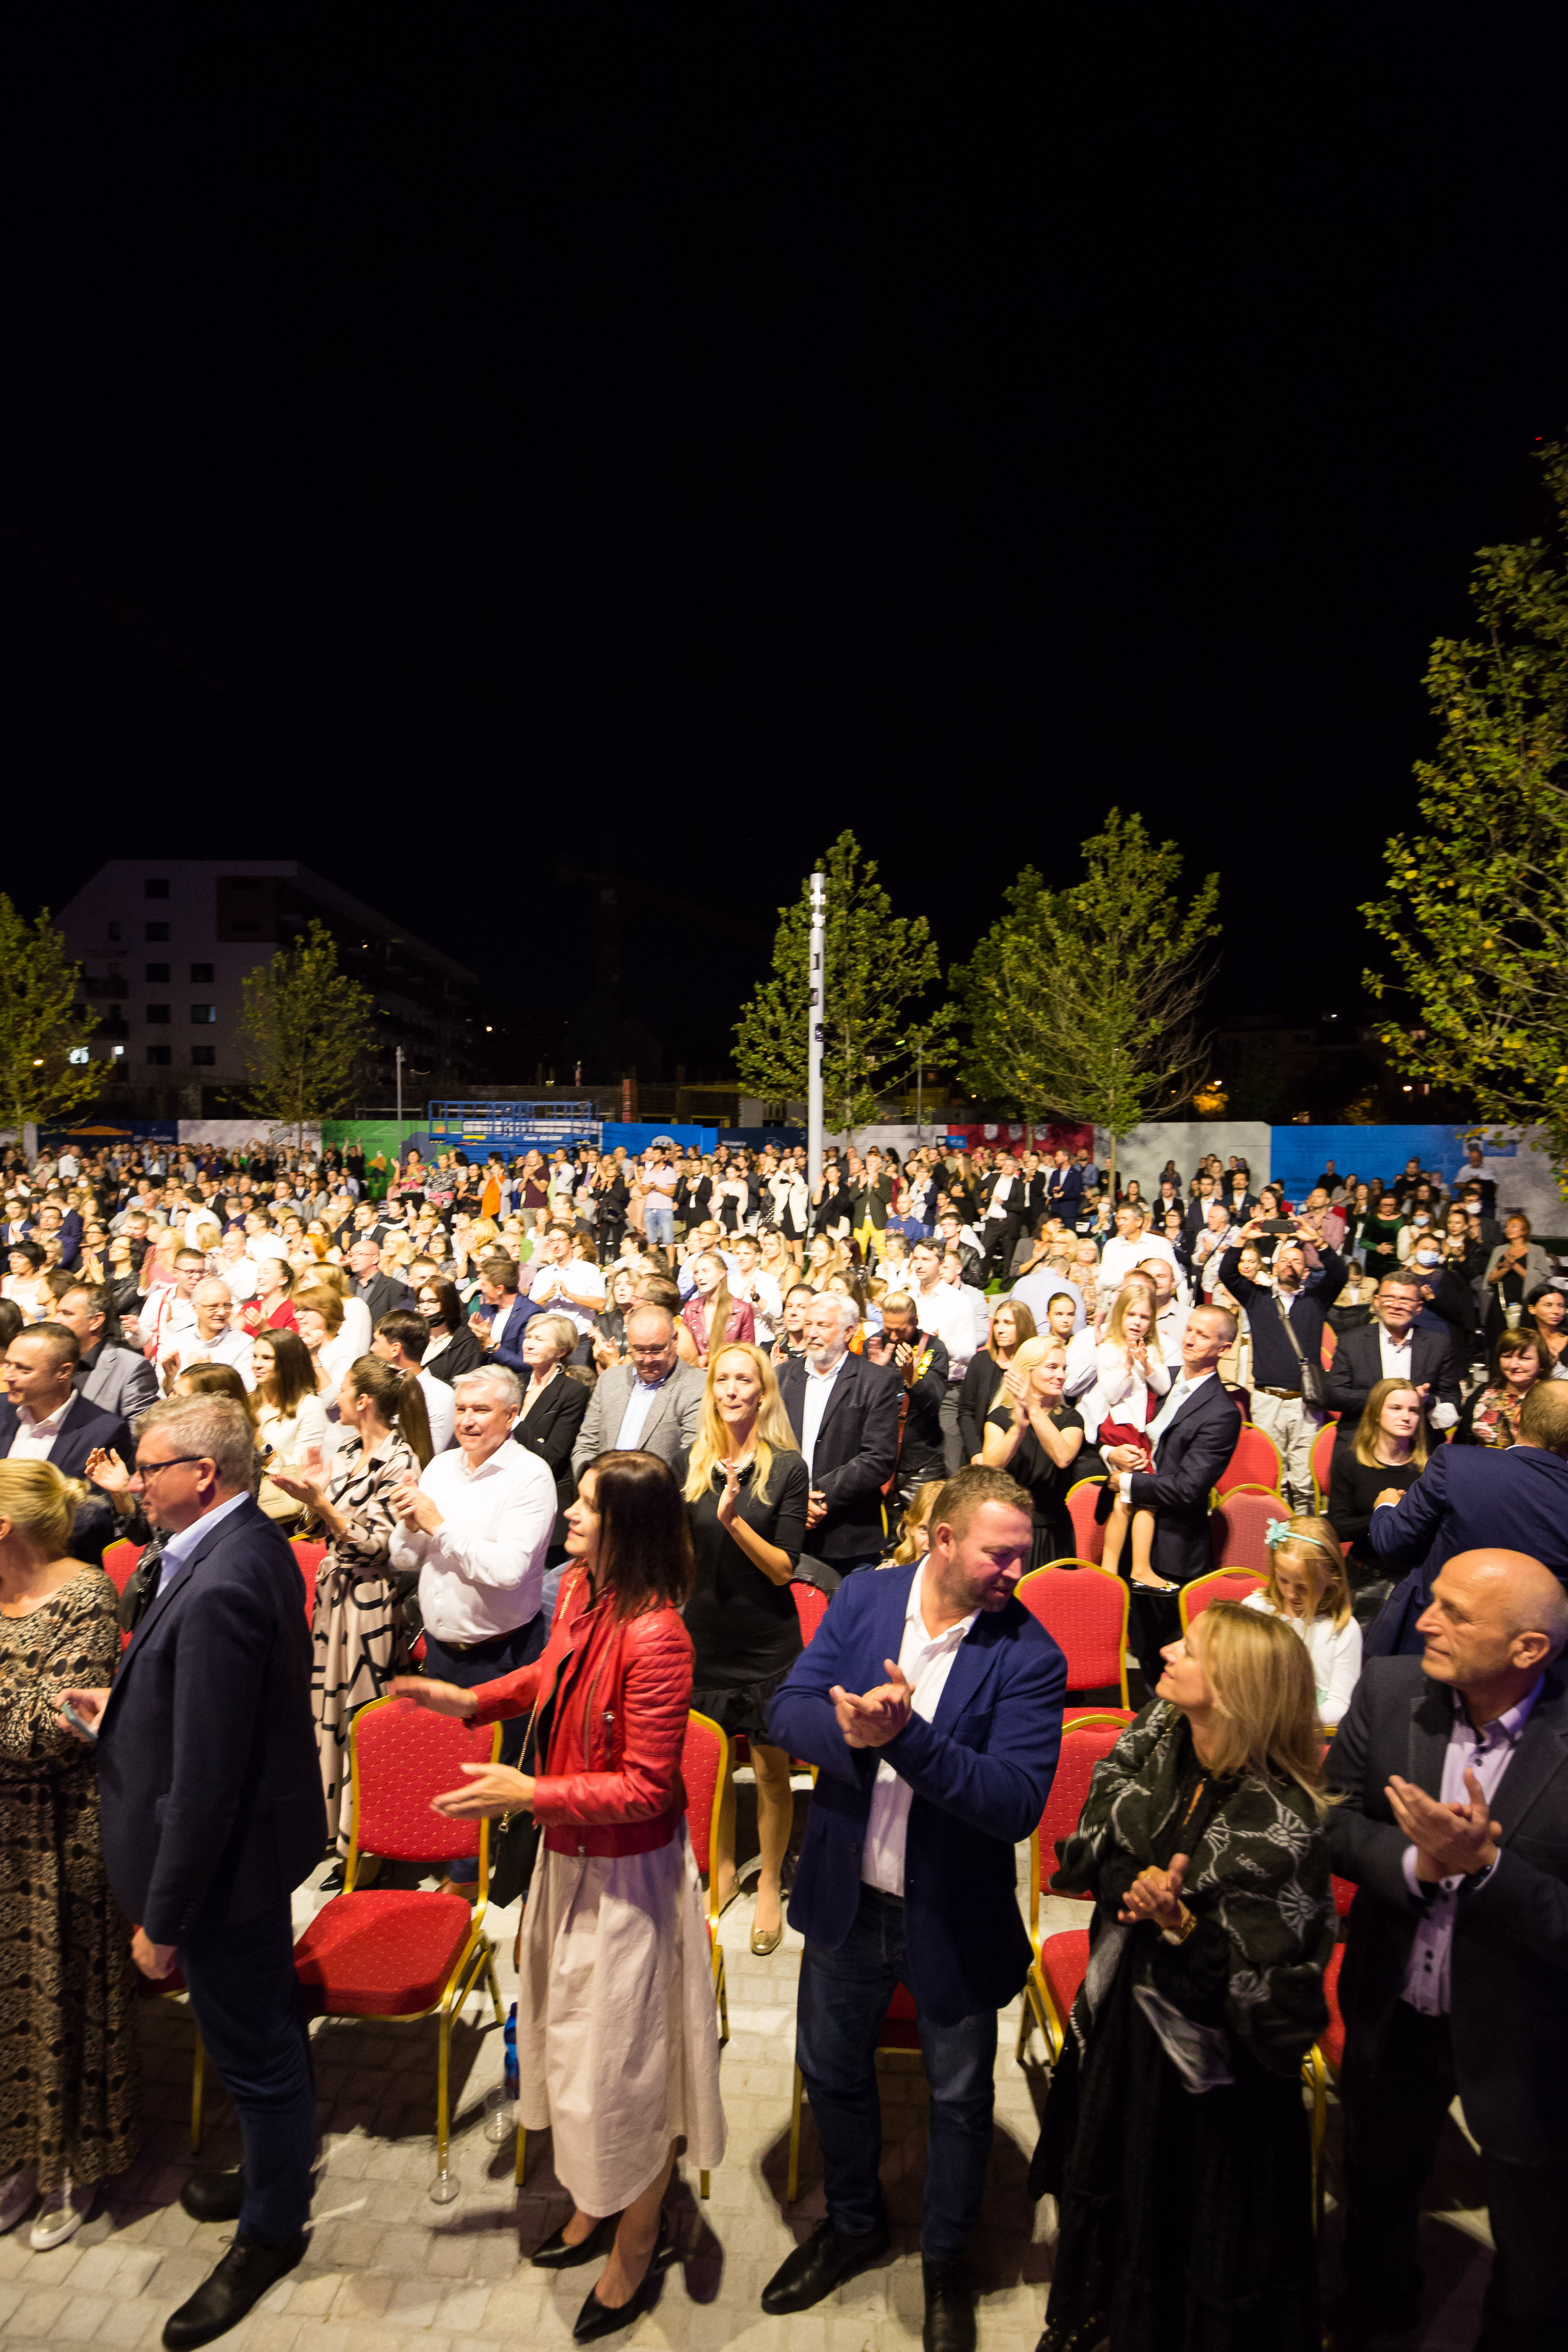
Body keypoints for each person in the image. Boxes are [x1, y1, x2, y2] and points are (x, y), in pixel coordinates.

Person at [392, 1451, 724, 2338]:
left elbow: (648, 1788)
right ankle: (593, 2200)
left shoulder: (659, 1635)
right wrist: (471, 1703)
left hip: (629, 1880)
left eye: (587, 1506)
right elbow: (550, 1677)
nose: (570, 1517)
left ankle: (638, 2238)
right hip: (571, 1857)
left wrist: (529, 1793)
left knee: (625, 2070)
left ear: (631, 1529)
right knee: (573, 2053)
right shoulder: (581, 1590)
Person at [760, 1466, 1064, 2349]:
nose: (1016, 1571)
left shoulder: (1031, 1654)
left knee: (960, 2099)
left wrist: (908, 1739)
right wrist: (847, 1731)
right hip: (848, 1900)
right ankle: (854, 2225)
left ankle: (945, 2259)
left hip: (952, 1915)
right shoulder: (864, 1598)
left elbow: (1014, 1803)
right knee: (831, 2072)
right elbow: (787, 1707)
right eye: (999, 1554)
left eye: (1023, 1554)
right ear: (943, 1539)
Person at [58, 1394, 325, 2346]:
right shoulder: (240, 1539)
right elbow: (207, 1706)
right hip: (246, 1847)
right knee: (264, 2033)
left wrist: (163, 1920)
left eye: (149, 1467)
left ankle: (271, 2231)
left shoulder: (222, 1578)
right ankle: (271, 2176)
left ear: (203, 1474)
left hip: (223, 1869)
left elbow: (208, 1779)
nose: (134, 1481)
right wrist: (127, 1707)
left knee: (256, 2051)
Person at [1030, 1604, 1333, 2352]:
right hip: (1130, 2022)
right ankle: (1099, 2311)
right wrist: (1133, 1885)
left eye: (1191, 1650)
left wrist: (1184, 1927)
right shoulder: (1163, 1733)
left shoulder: (1285, 1823)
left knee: (1188, 2220)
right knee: (1116, 2172)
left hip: (1217, 2081)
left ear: (1235, 1692)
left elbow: (1278, 2003)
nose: (1165, 1649)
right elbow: (1101, 1819)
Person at [1325, 1549, 1568, 2348]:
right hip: (1394, 2005)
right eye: (1432, 1602)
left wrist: (1487, 1868)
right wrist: (1416, 1865)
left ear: (1528, 1648)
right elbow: (1330, 1820)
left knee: (1535, 2247)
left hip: (1525, 2041)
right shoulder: (1390, 1689)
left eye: (1455, 1613)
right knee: (1377, 2191)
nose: (1424, 1621)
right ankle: (1378, 2311)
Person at [0, 1459, 137, 2250]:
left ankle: (73, 2166)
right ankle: (17, 2156)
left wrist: (30, 1716)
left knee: (66, 1996)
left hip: (61, 1829)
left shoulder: (85, 1595)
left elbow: (59, 1730)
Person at [271, 1356, 433, 1869]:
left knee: (362, 1719)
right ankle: (330, 1830)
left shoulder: (400, 1461)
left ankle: (369, 1847)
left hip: (369, 1603)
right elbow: (325, 1526)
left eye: (341, 1390)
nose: (334, 1399)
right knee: (328, 1716)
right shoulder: (344, 1450)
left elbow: (379, 1547)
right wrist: (310, 1501)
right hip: (335, 1598)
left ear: (363, 1401)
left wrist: (323, 1506)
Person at [682, 1342, 809, 1953]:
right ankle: (725, 1867)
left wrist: (734, 1521)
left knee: (769, 1772)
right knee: (710, 1770)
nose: (732, 1390)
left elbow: (784, 1570)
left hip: (767, 1647)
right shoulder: (692, 1463)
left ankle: (769, 1886)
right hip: (703, 1643)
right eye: (723, 1380)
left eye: (744, 1380)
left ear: (763, 1392)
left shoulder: (787, 1468)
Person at [388, 1363, 558, 1810]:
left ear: (512, 1414)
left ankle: (494, 1857)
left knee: (500, 1786)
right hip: (442, 1652)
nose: (467, 1420)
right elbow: (403, 1559)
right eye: (461, 1409)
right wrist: (409, 1526)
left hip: (502, 1657)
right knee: (447, 1775)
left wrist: (437, 1525)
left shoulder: (530, 1475)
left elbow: (509, 1570)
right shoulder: (441, 1467)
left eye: (481, 1410)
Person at [1363, 1378, 1568, 1656]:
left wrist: (1387, 1507)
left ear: (1517, 1416)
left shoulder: (1457, 1463)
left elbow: (1393, 1542)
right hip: (1529, 1659)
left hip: (1431, 1641)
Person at [1101, 1305, 1245, 1677]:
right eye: (1189, 1329)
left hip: (1171, 1547)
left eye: (1203, 1335)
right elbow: (1118, 1420)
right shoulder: (1159, 1378)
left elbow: (1188, 1488)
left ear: (1224, 1349)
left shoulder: (1222, 1413)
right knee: (1132, 1643)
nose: (1190, 1339)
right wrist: (1110, 1454)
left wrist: (1125, 1482)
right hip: (1129, 1534)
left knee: (1164, 1657)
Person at [775, 1294, 902, 1577]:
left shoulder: (876, 1381)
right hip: (786, 1532)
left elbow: (879, 1458)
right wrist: (793, 1500)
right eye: (809, 1324)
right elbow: (767, 1445)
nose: (812, 1333)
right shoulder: (782, 1377)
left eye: (822, 1325)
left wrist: (822, 1497)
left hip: (848, 1540)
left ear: (849, 1332)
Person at [1220, 1223, 1344, 1509]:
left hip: (1305, 1402)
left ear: (1306, 1271)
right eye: (1284, 1260)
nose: (1290, 1264)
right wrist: (1242, 1239)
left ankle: (1303, 1528)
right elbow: (1228, 1274)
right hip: (1266, 1400)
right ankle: (1273, 1528)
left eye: (1297, 1261)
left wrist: (1317, 1242)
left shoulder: (1316, 1301)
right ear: (1274, 1267)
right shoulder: (1257, 1298)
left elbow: (1339, 1274)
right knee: (1271, 1474)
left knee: (1304, 1479)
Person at [0, 1321, 129, 1567]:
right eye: (8, 1364)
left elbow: (96, 1519)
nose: (8, 1376)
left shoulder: (104, 1431)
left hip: (53, 1567)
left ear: (64, 1372)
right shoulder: (0, 1409)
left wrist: (19, 1535)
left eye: (23, 1369)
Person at [1244, 1514, 1363, 1726]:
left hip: (1308, 1733)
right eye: (1283, 1581)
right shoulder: (1255, 1609)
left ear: (1332, 1578)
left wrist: (1287, 1721)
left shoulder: (1343, 1630)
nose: (1291, 1594)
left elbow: (1341, 1706)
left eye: (1304, 1587)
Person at [1326, 1377, 1427, 1614]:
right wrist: (1384, 1512)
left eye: (1414, 1410)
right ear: (1376, 1414)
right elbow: (1338, 1528)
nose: (1406, 1417)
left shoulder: (1428, 1470)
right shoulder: (1350, 1463)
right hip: (1365, 1577)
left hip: (1413, 1580)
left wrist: (1393, 1512)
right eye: (1396, 1408)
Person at [980, 1336, 1085, 1565]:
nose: (1062, 1375)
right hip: (1007, 1528)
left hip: (1053, 1531)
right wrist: (1019, 1428)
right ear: (1028, 1371)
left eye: (1064, 1368)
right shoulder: (1000, 1417)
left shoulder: (1071, 1418)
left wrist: (1033, 1408)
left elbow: (1063, 1457)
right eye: (1052, 1367)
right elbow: (989, 1469)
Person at [1323, 1270, 1462, 1440]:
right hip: (1362, 1436)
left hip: (1418, 1439)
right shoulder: (1352, 1341)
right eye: (1389, 1298)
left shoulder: (1438, 1344)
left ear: (1419, 1307)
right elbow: (1333, 1395)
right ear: (1377, 1302)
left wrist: (1423, 1400)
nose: (1396, 1306)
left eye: (1405, 1300)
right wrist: (1386, 1398)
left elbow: (1452, 1399)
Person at [572, 1304, 706, 1479]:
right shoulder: (610, 1380)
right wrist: (591, 1484)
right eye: (639, 1350)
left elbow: (693, 1457)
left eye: (657, 1350)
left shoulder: (697, 1385)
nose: (648, 1360)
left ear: (674, 1340)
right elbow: (586, 1445)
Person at [862, 1289, 950, 1499]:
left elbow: (933, 1405)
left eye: (900, 1331)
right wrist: (874, 1372)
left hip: (921, 1460)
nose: (893, 1337)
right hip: (879, 1456)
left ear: (915, 1321)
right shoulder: (874, 1345)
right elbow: (862, 1403)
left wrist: (911, 1376)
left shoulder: (935, 1349)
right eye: (888, 1329)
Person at [55, 1279, 160, 1423]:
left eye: (67, 1314)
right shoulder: (49, 1361)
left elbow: (140, 1429)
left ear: (96, 1321)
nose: (56, 1320)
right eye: (58, 1312)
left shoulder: (131, 1368)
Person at [956, 1296, 1039, 1465]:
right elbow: (966, 1412)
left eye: (1008, 1323)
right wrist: (976, 1453)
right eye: (997, 1323)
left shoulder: (1035, 1365)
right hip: (981, 1456)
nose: (1000, 1330)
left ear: (1023, 1327)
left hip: (1023, 1457)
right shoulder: (981, 1361)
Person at [370, 1304, 457, 1453]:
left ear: (395, 1349)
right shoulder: (378, 1388)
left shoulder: (442, 1396)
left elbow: (427, 1455)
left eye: (377, 1341)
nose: (372, 1348)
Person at [1454, 1327, 1548, 1447]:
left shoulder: (1551, 1398)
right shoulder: (1485, 1390)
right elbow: (1462, 1439)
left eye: (1524, 1358)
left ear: (1541, 1362)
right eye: (1507, 1357)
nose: (1514, 1365)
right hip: (1479, 1458)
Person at [679, 1248, 756, 1366]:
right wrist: (697, 1361)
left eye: (706, 1271)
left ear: (721, 1274)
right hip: (697, 1374)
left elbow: (748, 1353)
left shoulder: (742, 1310)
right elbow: (685, 1350)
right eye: (696, 1272)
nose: (699, 1277)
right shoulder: (691, 1309)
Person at [416, 1275, 488, 1387]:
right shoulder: (415, 1337)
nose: (424, 1307)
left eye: (432, 1301)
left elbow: (462, 1386)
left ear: (448, 1304)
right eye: (421, 1301)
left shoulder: (466, 1342)